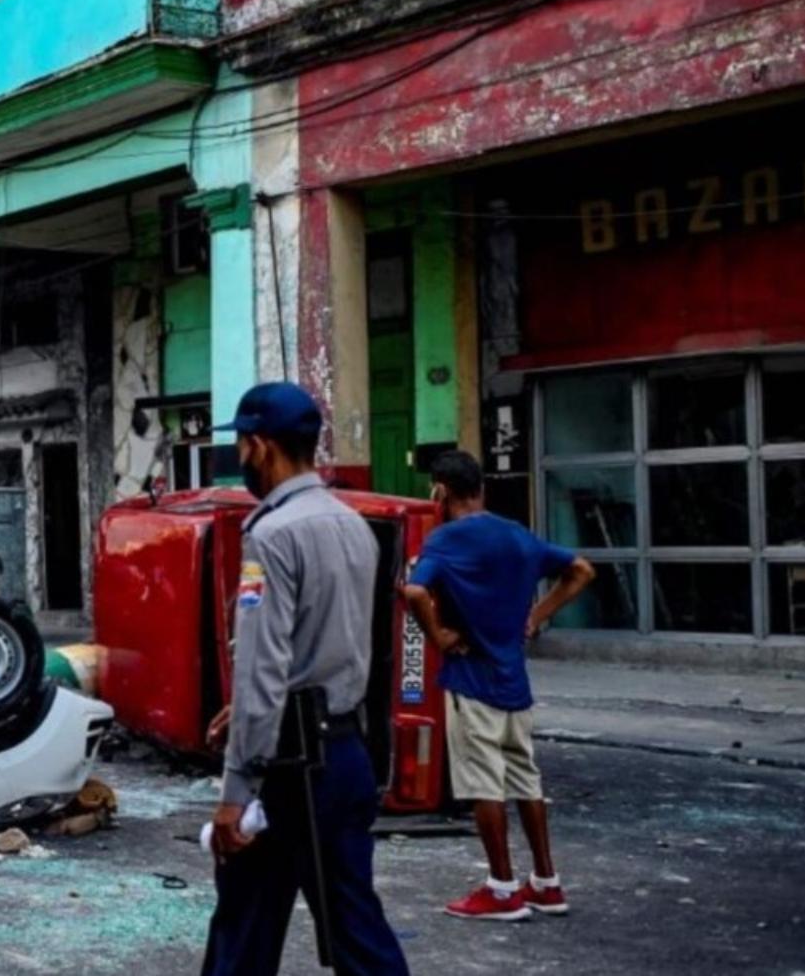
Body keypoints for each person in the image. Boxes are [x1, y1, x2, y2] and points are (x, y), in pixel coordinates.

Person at [200, 382, 410, 976]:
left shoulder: (272, 534)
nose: (239, 459)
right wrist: (244, 711)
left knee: (244, 928)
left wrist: (235, 794)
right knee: (354, 925)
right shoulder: (353, 525)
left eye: (240, 446)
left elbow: (265, 668)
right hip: (344, 754)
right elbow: (335, 647)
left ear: (261, 447)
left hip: (288, 769)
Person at [403, 450, 594, 921]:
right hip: (515, 682)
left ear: (440, 491)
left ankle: (502, 887)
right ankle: (547, 882)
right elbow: (581, 571)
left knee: (483, 784)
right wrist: (536, 615)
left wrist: (440, 636)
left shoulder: (445, 540)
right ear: (481, 488)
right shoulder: (518, 535)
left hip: (472, 682)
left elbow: (413, 591)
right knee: (526, 780)